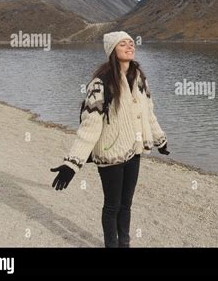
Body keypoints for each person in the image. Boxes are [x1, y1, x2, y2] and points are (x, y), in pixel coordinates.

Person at [50, 31, 170, 248]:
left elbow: (148, 112)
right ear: (112, 50)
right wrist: (72, 163)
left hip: (134, 151)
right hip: (110, 152)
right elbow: (89, 125)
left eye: (131, 43)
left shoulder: (140, 78)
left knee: (126, 204)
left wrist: (159, 138)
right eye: (123, 44)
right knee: (112, 206)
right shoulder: (101, 83)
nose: (129, 46)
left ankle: (124, 244)